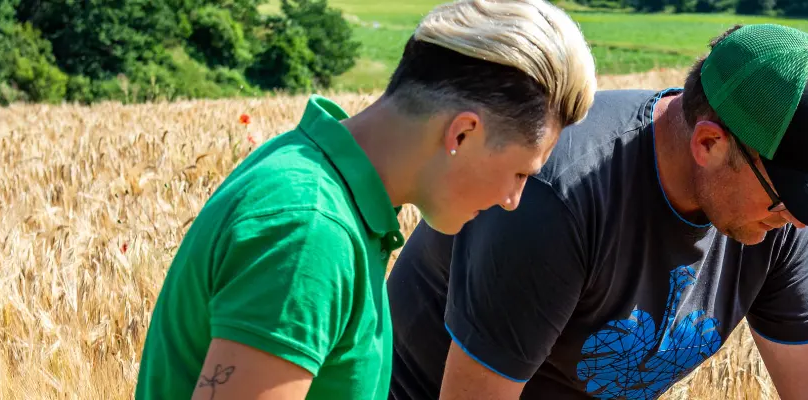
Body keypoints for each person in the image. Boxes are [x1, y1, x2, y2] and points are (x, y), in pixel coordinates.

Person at [134, 1, 596, 398]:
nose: (514, 199)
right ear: (463, 133)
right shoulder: (310, 232)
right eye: (519, 172)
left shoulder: (311, 176)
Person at [389, 24, 808, 400]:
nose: (800, 220)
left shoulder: (772, 217)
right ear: (708, 143)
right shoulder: (560, 197)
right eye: (787, 194)